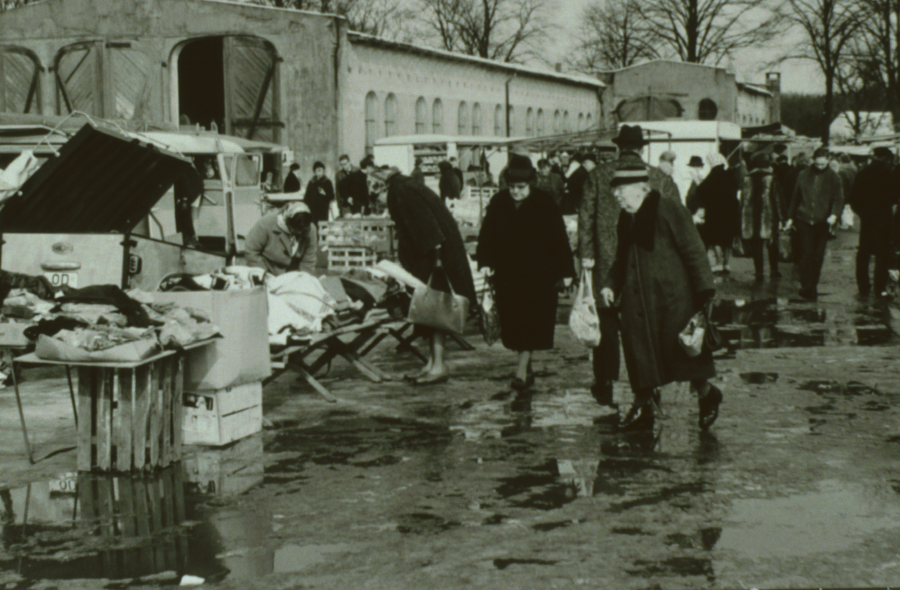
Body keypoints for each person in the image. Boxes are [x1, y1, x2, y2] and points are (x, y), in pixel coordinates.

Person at [599, 164, 721, 431]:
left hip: (671, 299)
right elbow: (621, 259)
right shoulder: (626, 217)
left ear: (640, 188)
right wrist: (610, 285)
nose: (616, 196)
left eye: (621, 191)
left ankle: (707, 394)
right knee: (639, 352)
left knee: (683, 355)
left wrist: (705, 294)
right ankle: (643, 404)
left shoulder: (668, 209)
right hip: (636, 300)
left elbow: (694, 250)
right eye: (615, 191)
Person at [579, 125, 680, 409]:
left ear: (618, 147)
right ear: (642, 147)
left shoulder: (597, 175)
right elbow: (674, 217)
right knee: (644, 325)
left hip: (604, 263)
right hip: (646, 262)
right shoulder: (659, 177)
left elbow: (585, 218)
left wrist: (586, 257)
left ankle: (606, 381)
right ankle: (649, 384)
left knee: (606, 326)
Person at [368, 166, 477, 385]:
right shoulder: (407, 186)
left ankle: (438, 366)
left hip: (435, 259)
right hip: (434, 256)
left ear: (381, 188)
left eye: (376, 198)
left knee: (436, 309)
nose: (379, 205)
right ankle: (431, 363)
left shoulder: (401, 192)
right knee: (430, 310)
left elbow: (429, 228)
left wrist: (436, 263)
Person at [476, 154, 575, 391]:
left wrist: (566, 270)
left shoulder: (545, 202)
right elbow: (487, 234)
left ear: (531, 184)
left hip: (539, 275)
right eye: (511, 187)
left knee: (532, 320)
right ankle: (526, 363)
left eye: (521, 187)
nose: (516, 192)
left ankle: (521, 370)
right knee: (513, 321)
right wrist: (486, 260)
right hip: (508, 274)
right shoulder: (499, 202)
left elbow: (559, 238)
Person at [784, 147, 844, 300]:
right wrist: (790, 217)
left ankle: (813, 285)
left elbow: (838, 199)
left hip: (823, 221)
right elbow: (795, 197)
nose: (820, 167)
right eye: (817, 164)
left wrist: (834, 215)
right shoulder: (803, 174)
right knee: (806, 253)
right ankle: (806, 286)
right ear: (813, 160)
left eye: (823, 164)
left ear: (828, 161)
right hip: (803, 219)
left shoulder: (834, 177)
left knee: (817, 256)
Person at [848, 147, 899, 297]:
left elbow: (852, 198)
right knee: (882, 254)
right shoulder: (888, 175)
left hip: (866, 220)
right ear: (886, 158)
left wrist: (862, 213)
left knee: (863, 252)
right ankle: (879, 287)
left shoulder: (862, 174)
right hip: (883, 219)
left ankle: (863, 285)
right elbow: (894, 197)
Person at [695, 152, 740, 274]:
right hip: (730, 211)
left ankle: (719, 263)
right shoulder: (730, 175)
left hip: (715, 212)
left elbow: (700, 191)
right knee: (727, 238)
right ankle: (727, 264)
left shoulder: (712, 176)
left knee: (716, 239)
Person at [244, 201, 318, 276]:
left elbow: (308, 260)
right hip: (269, 270)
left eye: (302, 231)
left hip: (295, 273)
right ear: (288, 222)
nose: (299, 234)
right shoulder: (267, 223)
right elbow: (251, 250)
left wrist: (304, 278)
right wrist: (263, 274)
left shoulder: (310, 229)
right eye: (295, 231)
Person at [741, 152, 781, 281]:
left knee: (756, 245)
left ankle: (759, 272)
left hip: (751, 215)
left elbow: (743, 199)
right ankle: (774, 270)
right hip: (768, 214)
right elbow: (778, 199)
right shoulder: (771, 177)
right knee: (772, 243)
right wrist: (782, 217)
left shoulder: (747, 178)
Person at [303, 161, 335, 225]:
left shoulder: (327, 182)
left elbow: (332, 196)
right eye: (317, 170)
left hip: (323, 209)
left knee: (323, 226)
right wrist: (306, 206)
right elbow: (307, 196)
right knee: (313, 226)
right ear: (315, 172)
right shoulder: (311, 182)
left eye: (321, 170)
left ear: (323, 171)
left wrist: (325, 194)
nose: (319, 172)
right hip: (312, 209)